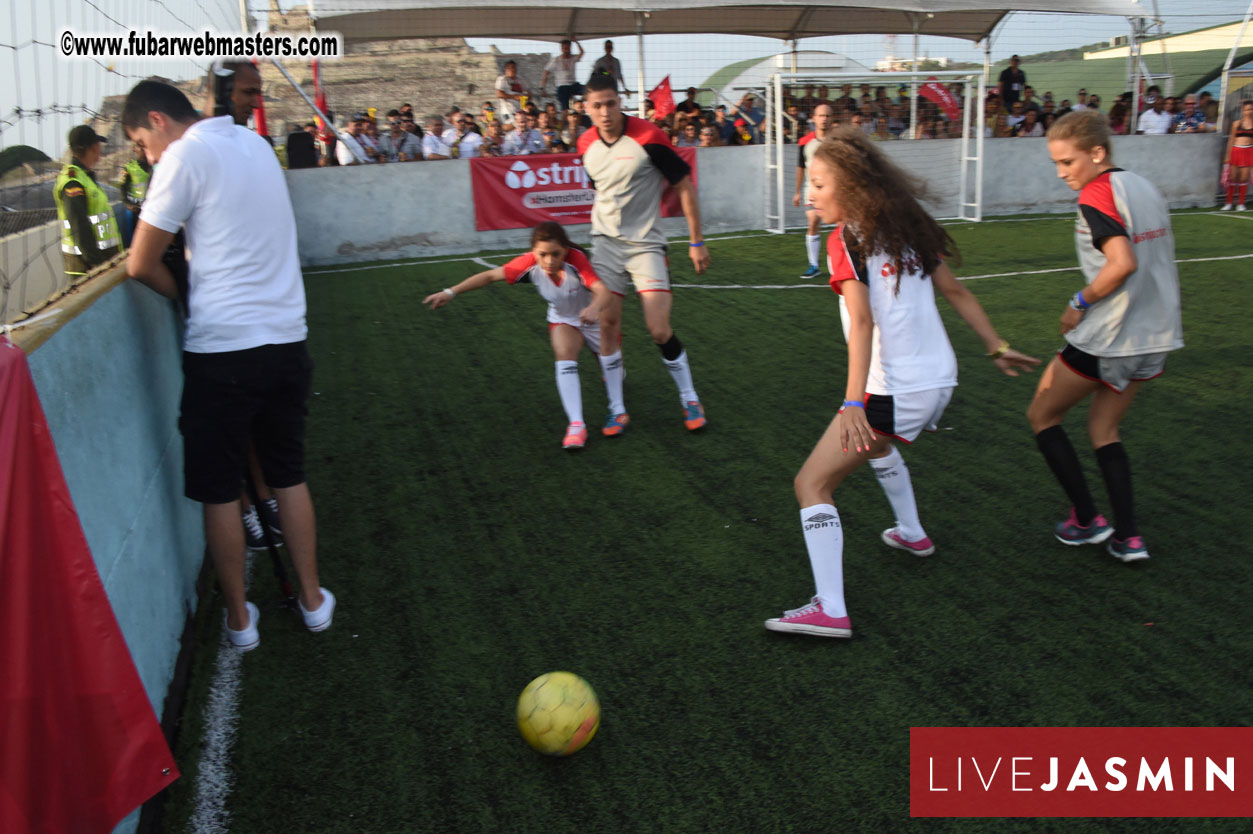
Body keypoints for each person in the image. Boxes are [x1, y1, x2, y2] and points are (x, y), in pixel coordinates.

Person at [763, 129, 1038, 638]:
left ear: (849, 186)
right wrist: (996, 346)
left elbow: (862, 322)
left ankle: (830, 608)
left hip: (895, 388)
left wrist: (853, 402)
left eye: (819, 184)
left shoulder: (845, 239)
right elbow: (956, 291)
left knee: (811, 484)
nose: (809, 195)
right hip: (939, 382)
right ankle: (911, 532)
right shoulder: (905, 226)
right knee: (877, 446)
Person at [122, 79, 334, 650]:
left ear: (158, 120)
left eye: (141, 143)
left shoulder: (183, 157)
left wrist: (187, 295)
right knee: (288, 475)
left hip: (222, 349)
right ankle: (313, 601)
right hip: (286, 339)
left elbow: (139, 264)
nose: (147, 156)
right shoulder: (255, 145)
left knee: (219, 491)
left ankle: (241, 621)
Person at [1026, 109, 1183, 564]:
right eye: (1056, 164)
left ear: (1097, 153)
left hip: (1112, 333)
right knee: (1103, 428)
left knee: (1042, 414)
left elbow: (1123, 263)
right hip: (1155, 336)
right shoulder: (1143, 185)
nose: (1061, 173)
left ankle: (1087, 519)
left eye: (1067, 162)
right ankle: (1128, 538)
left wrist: (1078, 301)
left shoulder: (1097, 192)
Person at [577, 73, 710, 435]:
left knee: (659, 329)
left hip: (646, 245)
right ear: (586, 109)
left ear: (620, 102)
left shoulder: (650, 137)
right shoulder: (584, 143)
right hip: (605, 244)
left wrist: (696, 241)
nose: (605, 112)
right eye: (597, 106)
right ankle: (617, 409)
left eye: (611, 103)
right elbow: (601, 188)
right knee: (607, 326)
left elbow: (684, 186)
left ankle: (690, 398)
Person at [422, 223, 619, 449]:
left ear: (565, 250)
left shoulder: (577, 260)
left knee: (609, 365)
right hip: (563, 319)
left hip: (591, 317)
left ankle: (613, 386)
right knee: (564, 353)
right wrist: (451, 292)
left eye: (556, 254)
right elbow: (489, 276)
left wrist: (594, 308)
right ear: (534, 252)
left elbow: (603, 292)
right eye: (542, 254)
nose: (549, 261)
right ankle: (576, 425)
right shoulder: (528, 264)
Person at [55, 124, 122, 281]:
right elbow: (79, 226)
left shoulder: (84, 176)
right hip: (87, 268)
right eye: (98, 145)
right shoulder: (73, 181)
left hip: (100, 261)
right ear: (93, 147)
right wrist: (99, 266)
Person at [794, 103, 836, 280]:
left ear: (832, 119)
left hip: (834, 189)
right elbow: (800, 167)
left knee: (841, 226)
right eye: (820, 115)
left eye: (827, 116)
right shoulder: (805, 142)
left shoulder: (837, 141)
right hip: (812, 189)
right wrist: (797, 191)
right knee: (813, 222)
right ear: (814, 118)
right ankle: (814, 265)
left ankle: (841, 261)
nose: (824, 119)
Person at [118, 142, 151, 247]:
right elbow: (122, 188)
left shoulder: (155, 165)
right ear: (134, 149)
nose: (142, 149)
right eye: (139, 147)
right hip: (137, 211)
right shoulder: (129, 168)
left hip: (152, 210)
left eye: (144, 146)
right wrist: (128, 203)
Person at [1222, 100, 1253, 211]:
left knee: (1244, 178)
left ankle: (1241, 203)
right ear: (1242, 111)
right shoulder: (1236, 124)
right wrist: (1227, 155)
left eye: (1250, 109)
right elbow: (1231, 140)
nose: (1248, 112)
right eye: (1246, 109)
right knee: (1233, 177)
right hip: (1236, 151)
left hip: (1248, 151)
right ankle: (1229, 202)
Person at [540, 39, 585, 112]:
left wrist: (576, 42)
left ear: (570, 48)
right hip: (562, 87)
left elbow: (582, 52)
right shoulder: (556, 60)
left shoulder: (573, 58)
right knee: (565, 109)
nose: (566, 49)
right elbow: (546, 72)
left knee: (588, 90)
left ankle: (579, 105)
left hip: (573, 85)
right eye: (565, 48)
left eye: (568, 47)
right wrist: (542, 88)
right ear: (561, 49)